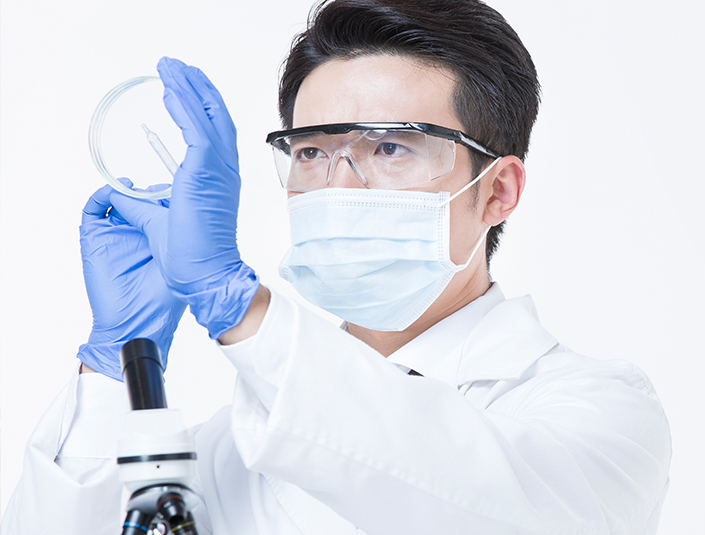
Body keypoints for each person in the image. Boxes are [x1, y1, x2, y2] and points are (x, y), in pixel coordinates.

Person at [1, 0, 671, 533]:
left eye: (390, 147)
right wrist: (115, 364)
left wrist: (237, 304)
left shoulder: (599, 415)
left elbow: (473, 497)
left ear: (498, 191)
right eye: (312, 152)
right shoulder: (232, 445)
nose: (339, 185)